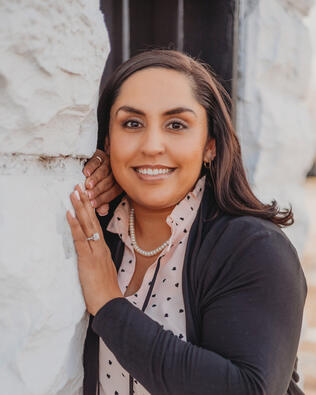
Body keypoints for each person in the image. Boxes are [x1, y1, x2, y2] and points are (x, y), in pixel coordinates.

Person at [66, 50, 307, 395]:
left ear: (210, 145)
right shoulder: (95, 232)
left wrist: (109, 306)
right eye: (132, 124)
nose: (151, 146)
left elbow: (248, 389)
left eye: (176, 125)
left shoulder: (252, 248)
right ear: (108, 140)